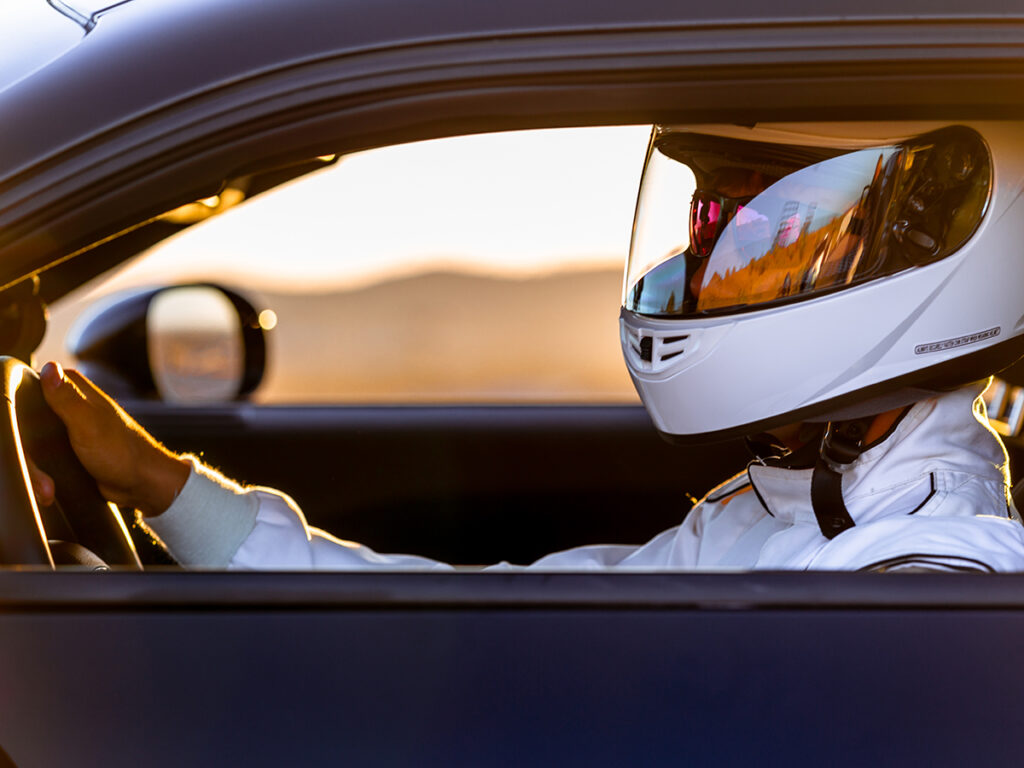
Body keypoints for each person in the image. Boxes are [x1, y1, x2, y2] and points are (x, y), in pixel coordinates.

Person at [31, 121, 1024, 571]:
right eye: (708, 215)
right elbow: (487, 637)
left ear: (921, 252)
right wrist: (165, 487)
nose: (705, 257)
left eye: (763, 230)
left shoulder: (925, 584)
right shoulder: (785, 508)